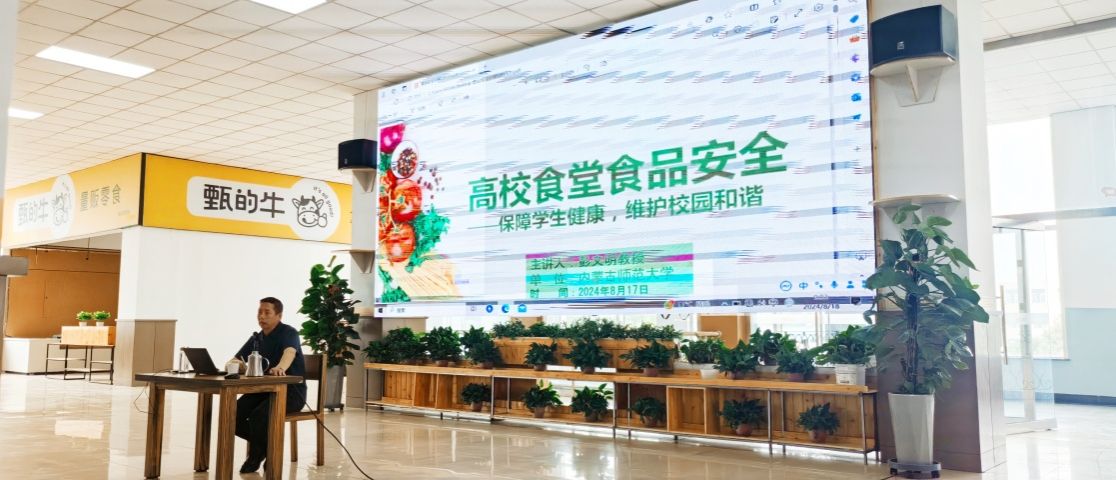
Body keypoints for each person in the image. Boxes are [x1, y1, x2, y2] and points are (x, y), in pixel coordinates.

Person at [230, 297, 307, 473]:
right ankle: (265, 447)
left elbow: (289, 352)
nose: (262, 316)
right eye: (259, 312)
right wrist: (234, 365)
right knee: (232, 413)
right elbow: (236, 358)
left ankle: (256, 455)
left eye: (267, 312)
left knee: (259, 416)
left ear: (279, 315)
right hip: (263, 391)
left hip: (291, 393)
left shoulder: (289, 332)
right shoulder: (257, 337)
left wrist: (280, 368)